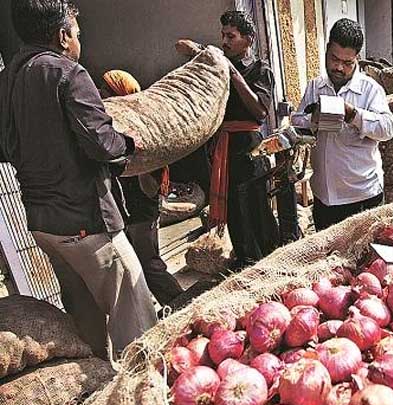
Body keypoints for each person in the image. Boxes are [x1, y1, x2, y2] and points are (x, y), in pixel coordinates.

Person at [0, 0, 157, 357]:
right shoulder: (68, 73)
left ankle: (100, 383)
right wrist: (130, 144)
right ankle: (141, 394)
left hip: (43, 225)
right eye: (78, 34)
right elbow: (102, 144)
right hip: (86, 223)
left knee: (85, 314)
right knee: (134, 314)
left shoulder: (6, 79)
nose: (78, 42)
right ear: (62, 35)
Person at [176, 10, 286, 270]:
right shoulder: (219, 66)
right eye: (223, 36)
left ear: (248, 40)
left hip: (251, 149)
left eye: (231, 36)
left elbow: (260, 111)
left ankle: (269, 261)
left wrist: (234, 75)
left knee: (256, 207)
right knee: (235, 212)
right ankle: (246, 261)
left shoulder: (261, 70)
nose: (225, 41)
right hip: (223, 150)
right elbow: (182, 47)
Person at [291, 18, 393, 231]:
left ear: (357, 58)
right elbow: (296, 121)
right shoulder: (315, 86)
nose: (338, 67)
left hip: (362, 198)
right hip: (324, 198)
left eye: (347, 63)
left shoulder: (370, 90)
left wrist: (353, 115)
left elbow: (387, 128)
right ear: (327, 50)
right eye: (334, 59)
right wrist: (314, 119)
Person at [101, 70, 184, 307]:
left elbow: (150, 184)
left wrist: (136, 161)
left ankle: (180, 303)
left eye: (107, 91)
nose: (102, 96)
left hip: (142, 211)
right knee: (136, 267)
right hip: (126, 213)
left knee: (150, 266)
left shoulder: (141, 131)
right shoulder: (113, 130)